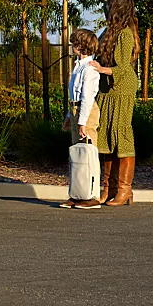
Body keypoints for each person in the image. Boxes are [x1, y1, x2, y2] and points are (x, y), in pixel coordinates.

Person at [89, 0, 140, 206]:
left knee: (122, 135)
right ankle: (108, 188)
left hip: (121, 87)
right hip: (107, 88)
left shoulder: (125, 33)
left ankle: (125, 190)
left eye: (110, 7)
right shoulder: (111, 29)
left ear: (116, 10)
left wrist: (100, 68)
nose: (106, 8)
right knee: (105, 137)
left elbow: (122, 69)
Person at [61, 29, 102, 209]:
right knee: (77, 154)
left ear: (80, 46)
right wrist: (70, 116)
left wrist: (83, 121)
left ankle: (92, 195)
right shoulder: (78, 66)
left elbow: (87, 97)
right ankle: (78, 194)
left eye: (74, 44)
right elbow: (74, 94)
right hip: (76, 109)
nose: (72, 47)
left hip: (86, 111)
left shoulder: (90, 68)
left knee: (88, 153)